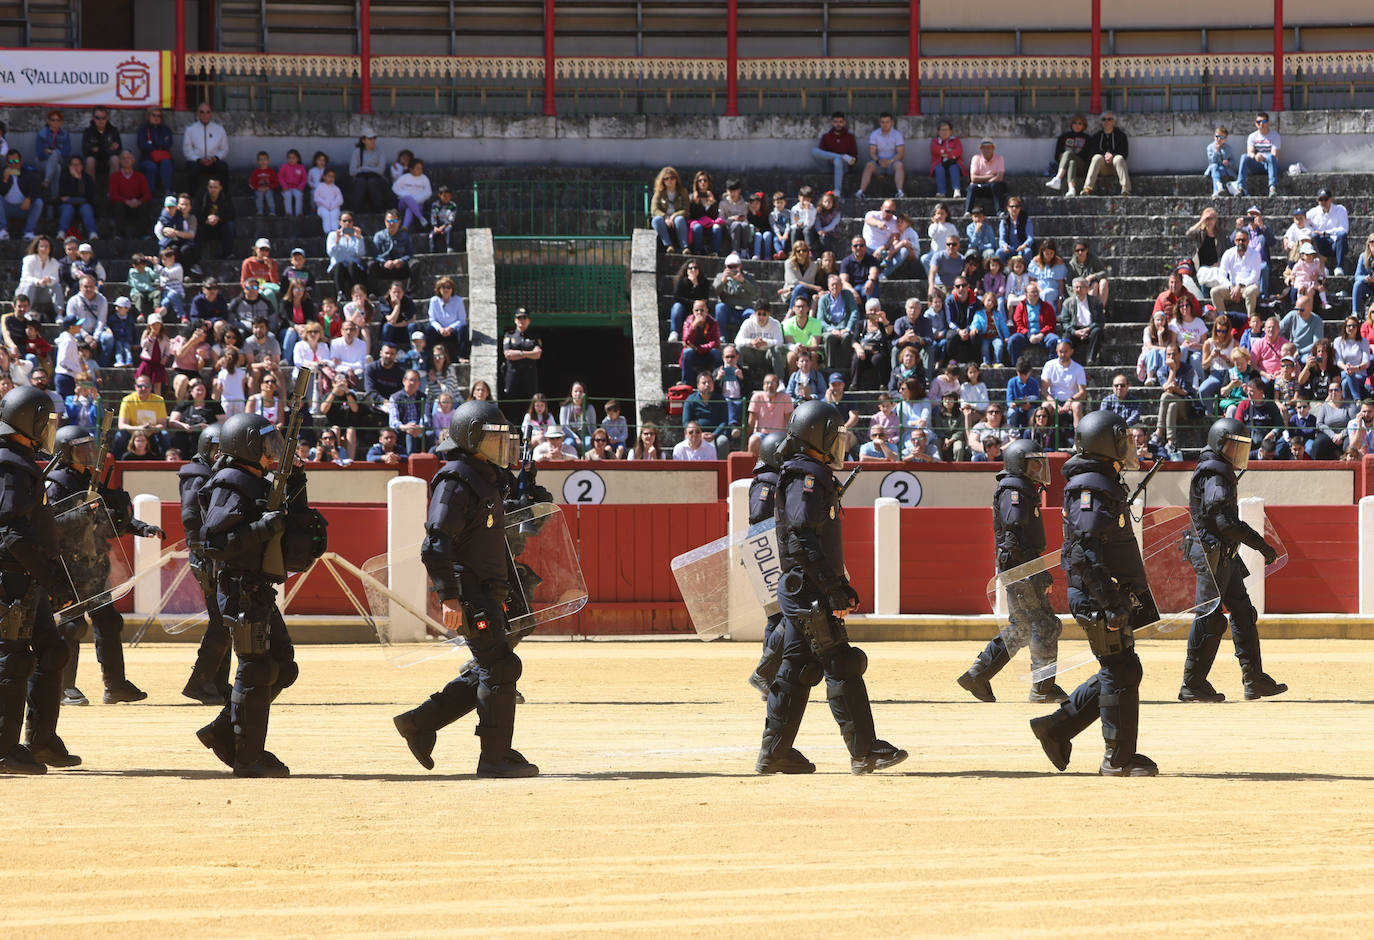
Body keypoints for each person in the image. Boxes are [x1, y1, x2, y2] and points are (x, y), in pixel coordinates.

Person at [757, 400, 906, 775]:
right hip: (807, 589)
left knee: (796, 669)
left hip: (802, 587)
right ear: (815, 435)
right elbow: (801, 541)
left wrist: (838, 582)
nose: (839, 444)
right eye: (833, 436)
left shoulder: (806, 472)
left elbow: (808, 541)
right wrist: (832, 587)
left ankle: (775, 753)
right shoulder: (807, 475)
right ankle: (865, 750)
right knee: (841, 662)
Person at [1028, 410, 1159, 776]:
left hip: (1104, 593)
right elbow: (1085, 551)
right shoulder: (1091, 486)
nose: (1128, 446)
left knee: (1117, 669)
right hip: (1098, 596)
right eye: (1122, 439)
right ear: (1106, 443)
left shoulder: (1100, 480)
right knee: (1121, 671)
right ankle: (1116, 759)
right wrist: (1111, 601)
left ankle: (1056, 728)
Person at [193, 413, 302, 777]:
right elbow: (215, 542)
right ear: (247, 447)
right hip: (239, 588)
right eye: (266, 445)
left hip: (257, 588)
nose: (272, 452)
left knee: (283, 666)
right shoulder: (232, 482)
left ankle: (223, 730)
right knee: (256, 668)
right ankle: (247, 754)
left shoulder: (257, 480)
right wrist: (262, 527)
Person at [48, 426, 165, 708]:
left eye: (90, 448)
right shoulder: (56, 483)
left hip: (95, 565)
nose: (88, 454)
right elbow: (51, 524)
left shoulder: (91, 480)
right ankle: (64, 687)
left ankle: (116, 685)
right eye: (81, 449)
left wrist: (142, 528)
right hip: (70, 566)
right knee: (71, 626)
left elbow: (108, 514)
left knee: (109, 623)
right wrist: (81, 512)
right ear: (66, 454)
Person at [1180, 418, 1286, 702]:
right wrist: (1261, 545)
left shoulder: (1219, 469)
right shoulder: (1216, 474)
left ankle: (1254, 679)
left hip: (1222, 554)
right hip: (1212, 554)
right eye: (1233, 446)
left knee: (1242, 613)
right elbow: (1224, 521)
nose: (1238, 453)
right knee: (1209, 617)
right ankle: (1192, 684)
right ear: (1219, 444)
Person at [957, 439, 1065, 703]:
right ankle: (1042, 687)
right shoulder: (1015, 489)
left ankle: (978, 674)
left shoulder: (1021, 488)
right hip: (1021, 568)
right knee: (1045, 625)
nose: (1039, 467)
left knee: (1023, 627)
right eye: (1034, 463)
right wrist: (1035, 572)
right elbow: (1014, 538)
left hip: (1019, 567)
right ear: (1020, 464)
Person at [182, 103, 229, 196]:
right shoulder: (190, 130)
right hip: (197, 162)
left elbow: (225, 149)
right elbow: (187, 150)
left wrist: (214, 159)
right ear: (198, 114)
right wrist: (199, 160)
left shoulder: (219, 129)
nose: (205, 115)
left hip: (213, 161)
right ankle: (193, 196)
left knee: (223, 167)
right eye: (202, 112)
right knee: (192, 169)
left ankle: (224, 196)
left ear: (211, 114)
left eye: (208, 112)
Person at [855, 112, 905, 198]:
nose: (885, 124)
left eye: (887, 122)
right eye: (883, 122)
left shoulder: (897, 135)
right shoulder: (874, 134)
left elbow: (900, 153)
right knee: (869, 165)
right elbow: (872, 153)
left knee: (899, 165)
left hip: (892, 162)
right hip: (878, 162)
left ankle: (900, 192)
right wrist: (878, 161)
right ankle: (861, 192)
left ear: (892, 122)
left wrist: (890, 161)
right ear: (879, 122)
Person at [1058, 276, 1105, 365]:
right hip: (1074, 329)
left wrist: (1088, 329)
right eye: (1076, 287)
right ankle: (1065, 361)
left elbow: (1100, 320)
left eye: (1081, 287)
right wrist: (1074, 332)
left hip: (1090, 329)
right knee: (1065, 338)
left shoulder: (1096, 301)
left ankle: (1091, 360)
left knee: (1097, 331)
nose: (1078, 289)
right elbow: (1064, 322)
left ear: (1087, 288)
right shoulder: (1068, 303)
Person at [1081, 112, 1131, 196]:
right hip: (1102, 168)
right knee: (1096, 157)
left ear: (1114, 121)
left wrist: (1112, 155)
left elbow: (1124, 153)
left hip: (1116, 167)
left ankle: (1126, 189)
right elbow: (1092, 153)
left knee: (1119, 158)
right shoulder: (1096, 136)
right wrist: (1104, 156)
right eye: (1104, 119)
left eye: (1109, 119)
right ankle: (1087, 188)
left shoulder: (1121, 136)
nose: (1106, 121)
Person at [812, 112, 857, 196]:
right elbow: (822, 154)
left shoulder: (849, 137)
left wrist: (839, 160)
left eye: (840, 122)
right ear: (832, 123)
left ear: (844, 123)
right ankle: (841, 157)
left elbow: (854, 158)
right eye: (836, 122)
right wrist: (831, 158)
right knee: (814, 151)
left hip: (843, 167)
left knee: (838, 161)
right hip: (828, 165)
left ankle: (837, 191)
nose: (838, 124)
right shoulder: (826, 136)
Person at [502, 308, 541, 403]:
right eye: (519, 318)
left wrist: (519, 353)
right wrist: (527, 353)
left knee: (530, 400)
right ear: (515, 320)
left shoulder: (534, 336)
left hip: (529, 373)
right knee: (512, 399)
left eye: (524, 317)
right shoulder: (509, 335)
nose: (522, 320)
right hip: (513, 372)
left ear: (529, 320)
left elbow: (537, 354)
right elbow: (508, 354)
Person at [1236, 112, 1280, 198]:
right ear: (1255, 123)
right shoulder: (1252, 136)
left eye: (1263, 121)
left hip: (1268, 165)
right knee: (1244, 157)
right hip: (1256, 164)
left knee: (1271, 157)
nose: (1261, 124)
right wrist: (1255, 156)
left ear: (1268, 122)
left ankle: (1272, 188)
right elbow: (1250, 152)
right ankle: (1240, 187)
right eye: (1258, 122)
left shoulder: (1275, 136)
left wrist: (1263, 157)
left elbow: (1274, 154)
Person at [369, 211, 413, 293]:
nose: (391, 223)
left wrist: (401, 260)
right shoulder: (379, 236)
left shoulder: (405, 235)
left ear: (399, 222)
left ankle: (411, 293)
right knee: (371, 265)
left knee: (415, 264)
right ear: (385, 222)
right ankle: (373, 293)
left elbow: (409, 253)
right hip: (384, 267)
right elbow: (375, 254)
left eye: (394, 221)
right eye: (389, 221)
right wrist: (384, 262)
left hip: (400, 267)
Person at [1308, 189, 1349, 276]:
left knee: (1341, 235)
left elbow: (1344, 229)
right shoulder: (1313, 212)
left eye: (1326, 199)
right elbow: (1302, 223)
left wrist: (1325, 233)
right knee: (1314, 235)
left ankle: (1339, 267)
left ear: (1331, 199)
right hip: (1322, 245)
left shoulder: (1340, 209)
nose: (1323, 202)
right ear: (1317, 201)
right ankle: (1323, 266)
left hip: (1337, 244)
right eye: (1320, 199)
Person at [1046, 114, 1090, 195]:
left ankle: (1058, 178)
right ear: (1071, 124)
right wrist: (1060, 156)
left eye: (1080, 123)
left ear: (1084, 126)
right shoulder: (1063, 137)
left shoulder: (1088, 139)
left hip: (1081, 167)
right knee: (1071, 163)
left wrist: (1069, 155)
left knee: (1068, 154)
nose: (1077, 125)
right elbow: (1056, 156)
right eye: (1075, 123)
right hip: (1066, 167)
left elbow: (1087, 156)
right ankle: (1071, 189)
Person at [649, 166, 689, 252]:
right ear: (663, 181)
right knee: (656, 220)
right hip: (664, 219)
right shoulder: (659, 193)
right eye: (666, 179)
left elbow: (686, 209)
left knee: (680, 219)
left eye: (672, 178)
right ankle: (668, 245)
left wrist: (674, 215)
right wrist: (665, 217)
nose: (669, 181)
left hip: (677, 217)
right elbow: (654, 209)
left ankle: (684, 247)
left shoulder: (682, 192)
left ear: (676, 179)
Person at [964, 138, 1007, 216]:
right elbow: (973, 178)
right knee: (972, 187)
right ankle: (968, 211)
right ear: (981, 149)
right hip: (981, 186)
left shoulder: (999, 158)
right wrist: (991, 176)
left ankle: (999, 212)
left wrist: (984, 179)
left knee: (996, 186)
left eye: (989, 147)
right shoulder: (976, 158)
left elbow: (1000, 177)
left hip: (993, 186)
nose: (987, 150)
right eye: (984, 148)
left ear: (993, 148)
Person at [349, 127, 388, 211]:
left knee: (372, 182)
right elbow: (352, 171)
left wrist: (363, 168)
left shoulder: (380, 151)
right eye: (370, 139)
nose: (373, 141)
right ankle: (355, 212)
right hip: (361, 180)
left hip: (377, 180)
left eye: (374, 138)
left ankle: (380, 211)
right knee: (361, 182)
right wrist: (373, 168)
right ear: (363, 140)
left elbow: (381, 170)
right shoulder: (357, 152)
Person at [1205, 125, 1241, 197]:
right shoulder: (1210, 147)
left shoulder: (1228, 148)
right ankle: (1217, 189)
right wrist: (1216, 151)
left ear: (1225, 139)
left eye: (1221, 137)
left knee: (1221, 169)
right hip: (1214, 169)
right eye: (1216, 136)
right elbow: (1211, 161)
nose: (1218, 139)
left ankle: (1228, 189)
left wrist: (1228, 163)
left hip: (1224, 169)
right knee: (1214, 166)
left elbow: (1233, 161)